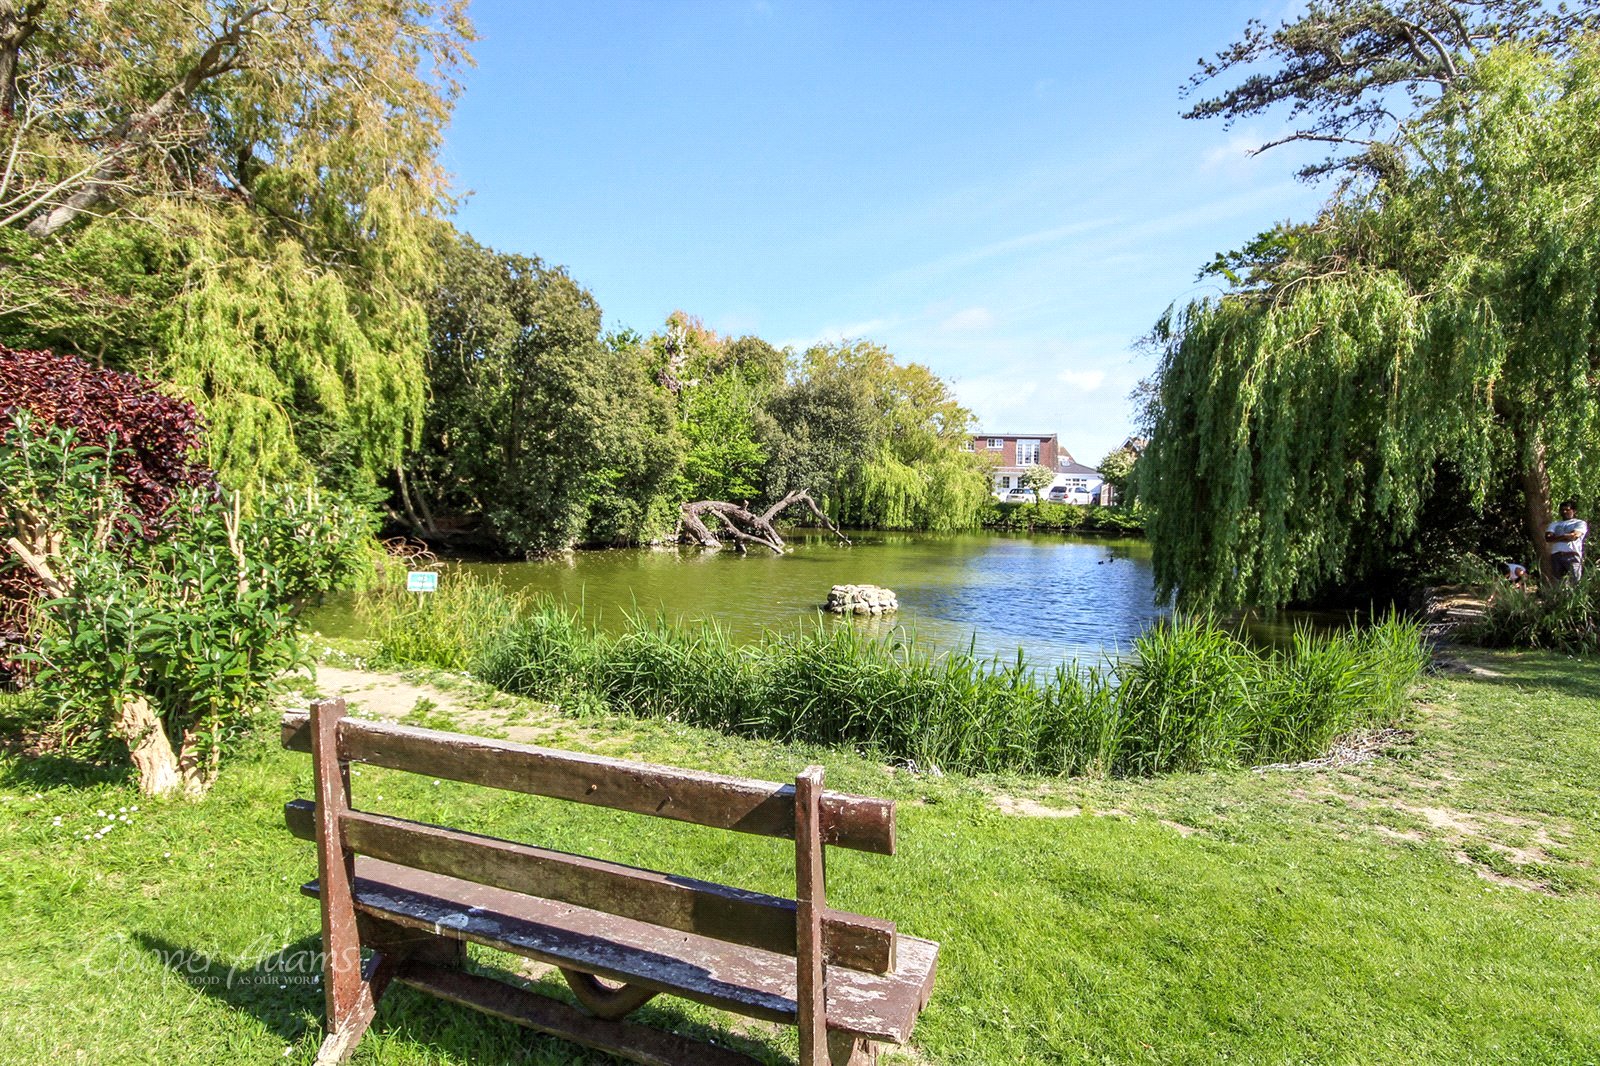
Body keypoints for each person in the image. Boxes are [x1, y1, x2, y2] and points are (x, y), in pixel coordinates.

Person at [1545, 499, 1588, 583]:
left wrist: (1557, 537)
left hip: (1572, 555)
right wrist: (1565, 536)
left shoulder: (1579, 523)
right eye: (1562, 510)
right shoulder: (1554, 524)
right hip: (1556, 556)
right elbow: (1548, 538)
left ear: (1574, 511)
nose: (1564, 512)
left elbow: (1574, 536)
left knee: (1575, 582)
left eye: (1567, 510)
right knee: (1557, 583)